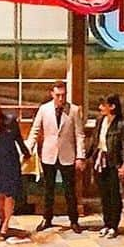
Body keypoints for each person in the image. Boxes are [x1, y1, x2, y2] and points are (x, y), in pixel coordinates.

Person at [27, 80, 87, 234]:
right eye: (58, 95)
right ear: (52, 94)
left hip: (67, 154)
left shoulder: (73, 110)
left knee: (69, 190)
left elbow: (79, 134)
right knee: (48, 189)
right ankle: (47, 219)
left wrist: (80, 156)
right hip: (49, 154)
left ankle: (73, 220)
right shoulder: (44, 109)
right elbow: (35, 130)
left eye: (63, 95)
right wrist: (28, 149)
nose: (61, 98)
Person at [0, 96, 30, 241]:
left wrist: (27, 154)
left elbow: (19, 140)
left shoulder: (10, 121)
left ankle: (6, 224)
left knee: (9, 194)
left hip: (10, 162)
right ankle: (2, 219)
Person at [90, 94, 124, 238]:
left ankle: (114, 225)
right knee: (104, 194)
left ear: (112, 106)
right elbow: (95, 140)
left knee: (115, 194)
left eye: (104, 105)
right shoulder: (100, 120)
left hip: (114, 162)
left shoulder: (122, 123)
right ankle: (106, 223)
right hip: (100, 161)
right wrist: (86, 157)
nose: (101, 108)